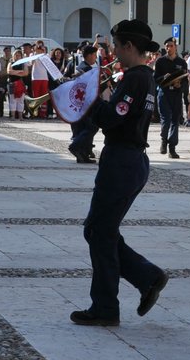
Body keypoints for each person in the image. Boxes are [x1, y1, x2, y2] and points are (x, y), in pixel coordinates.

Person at [70, 19, 169, 326]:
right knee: (99, 231)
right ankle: (146, 277)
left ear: (128, 46)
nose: (112, 50)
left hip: (122, 161)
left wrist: (91, 102)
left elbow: (114, 117)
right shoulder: (143, 77)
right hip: (128, 160)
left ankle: (106, 307)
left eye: (115, 45)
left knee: (98, 232)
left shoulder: (136, 78)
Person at [153, 39, 189, 158]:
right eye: (167, 46)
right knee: (166, 119)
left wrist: (182, 88)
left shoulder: (181, 62)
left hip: (176, 94)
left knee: (175, 121)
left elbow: (185, 79)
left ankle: (172, 148)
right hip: (164, 93)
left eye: (171, 46)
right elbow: (155, 78)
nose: (169, 48)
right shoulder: (160, 61)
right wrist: (164, 77)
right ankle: (164, 140)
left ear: (176, 47)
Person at [67, 42, 101, 163]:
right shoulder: (84, 68)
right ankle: (76, 146)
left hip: (83, 104)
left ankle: (83, 154)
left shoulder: (84, 67)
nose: (96, 58)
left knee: (85, 128)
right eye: (94, 55)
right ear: (89, 55)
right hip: (86, 105)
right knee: (92, 126)